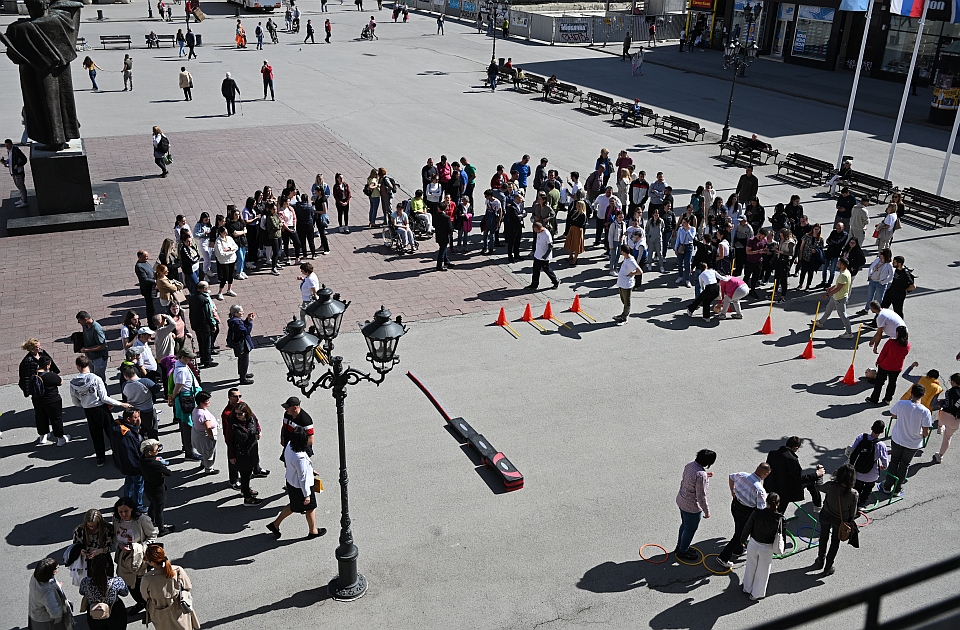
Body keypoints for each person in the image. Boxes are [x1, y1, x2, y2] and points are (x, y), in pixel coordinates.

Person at [70, 356, 133, 467]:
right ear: (88, 364)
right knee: (111, 432)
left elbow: (75, 402)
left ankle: (100, 458)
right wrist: (120, 403)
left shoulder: (73, 383)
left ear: (78, 366)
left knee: (96, 435)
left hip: (89, 411)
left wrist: (84, 403)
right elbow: (104, 398)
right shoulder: (96, 379)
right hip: (101, 409)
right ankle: (118, 453)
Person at [267, 427, 326, 539]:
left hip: (291, 482)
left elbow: (297, 467)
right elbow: (302, 478)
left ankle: (275, 524)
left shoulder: (289, 445)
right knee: (310, 507)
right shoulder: (300, 457)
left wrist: (310, 469)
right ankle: (313, 531)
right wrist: (307, 495)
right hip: (301, 487)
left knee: (293, 506)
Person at [716, 463, 771, 568]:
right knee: (740, 535)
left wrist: (732, 491)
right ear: (766, 474)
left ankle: (738, 550)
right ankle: (723, 558)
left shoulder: (742, 475)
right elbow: (761, 509)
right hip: (746, 512)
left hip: (735, 504)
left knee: (738, 527)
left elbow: (731, 477)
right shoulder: (760, 490)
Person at [882, 384, 932, 495]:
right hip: (913, 444)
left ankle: (887, 486)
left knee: (894, 461)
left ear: (911, 393)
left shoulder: (901, 404)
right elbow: (926, 432)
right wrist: (922, 436)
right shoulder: (925, 411)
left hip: (897, 439)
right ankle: (897, 489)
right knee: (904, 465)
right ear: (923, 395)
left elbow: (893, 415)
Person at [112, 497, 156, 616]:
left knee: (141, 584)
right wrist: (120, 545)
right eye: (120, 512)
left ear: (132, 509)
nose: (123, 514)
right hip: (124, 558)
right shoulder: (117, 520)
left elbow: (152, 537)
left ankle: (152, 607)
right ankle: (141, 603)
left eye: (126, 511)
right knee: (129, 584)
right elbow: (115, 536)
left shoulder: (142, 520)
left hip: (139, 558)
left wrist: (136, 547)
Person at [140, 544, 201, 629]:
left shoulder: (147, 579)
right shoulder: (177, 570)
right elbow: (188, 586)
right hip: (179, 609)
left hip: (158, 612)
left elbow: (145, 596)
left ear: (152, 562)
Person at [815, 464, 859, 576]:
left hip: (825, 515)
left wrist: (819, 474)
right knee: (835, 541)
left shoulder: (831, 486)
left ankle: (820, 559)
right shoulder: (853, 494)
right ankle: (828, 567)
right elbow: (852, 513)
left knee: (823, 537)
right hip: (840, 521)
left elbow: (818, 486)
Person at [740, 492, 783, 601]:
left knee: (750, 565)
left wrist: (743, 540)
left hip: (753, 543)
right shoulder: (780, 519)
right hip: (767, 548)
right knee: (763, 571)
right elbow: (782, 535)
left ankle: (747, 587)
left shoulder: (757, 513)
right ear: (778, 504)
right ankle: (756, 594)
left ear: (766, 501)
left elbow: (748, 527)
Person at [674, 449, 715, 561]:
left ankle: (680, 546)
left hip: (681, 500)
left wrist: (705, 475)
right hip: (691, 506)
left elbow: (690, 478)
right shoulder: (701, 475)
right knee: (690, 529)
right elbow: (701, 496)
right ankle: (683, 551)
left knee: (684, 525)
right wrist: (706, 511)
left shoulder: (690, 465)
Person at [764, 436, 824, 512]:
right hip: (786, 490)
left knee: (779, 509)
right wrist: (816, 474)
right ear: (795, 448)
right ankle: (817, 506)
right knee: (810, 482)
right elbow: (799, 479)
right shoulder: (792, 459)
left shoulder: (772, 453)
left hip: (772, 485)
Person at [169, 348, 202, 461]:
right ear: (182, 357)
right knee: (187, 426)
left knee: (185, 424)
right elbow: (178, 387)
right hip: (186, 399)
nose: (191, 359)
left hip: (185, 398)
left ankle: (186, 446)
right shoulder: (181, 370)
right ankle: (189, 452)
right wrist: (172, 398)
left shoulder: (180, 365)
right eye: (189, 358)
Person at [227, 401, 263, 506]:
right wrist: (231, 456)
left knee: (248, 472)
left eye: (240, 414)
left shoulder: (251, 418)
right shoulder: (233, 424)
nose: (238, 416)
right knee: (245, 474)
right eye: (236, 413)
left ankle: (245, 489)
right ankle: (247, 498)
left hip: (252, 451)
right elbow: (230, 441)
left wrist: (259, 431)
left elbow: (257, 424)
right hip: (241, 453)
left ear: (246, 413)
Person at [79, 552, 129, 628]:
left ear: (92, 567)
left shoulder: (85, 582)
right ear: (107, 565)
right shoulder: (117, 581)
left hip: (95, 612)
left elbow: (81, 592)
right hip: (115, 612)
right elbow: (125, 593)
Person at [847, 420, 889, 509]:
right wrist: (884, 467)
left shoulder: (861, 437)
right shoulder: (881, 445)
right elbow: (885, 461)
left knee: (857, 487)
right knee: (868, 488)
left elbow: (852, 450)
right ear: (882, 432)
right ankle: (862, 503)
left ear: (871, 428)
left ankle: (854, 502)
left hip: (857, 472)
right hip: (871, 475)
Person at [139, 439, 175, 536]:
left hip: (148, 487)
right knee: (159, 510)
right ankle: (162, 530)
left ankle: (151, 522)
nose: (158, 451)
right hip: (158, 489)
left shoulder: (142, 459)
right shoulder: (155, 464)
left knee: (152, 505)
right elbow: (169, 473)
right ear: (150, 452)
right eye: (156, 450)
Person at [28, 558, 73, 630]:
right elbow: (55, 613)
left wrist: (57, 587)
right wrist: (65, 609)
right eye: (57, 567)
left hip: (35, 614)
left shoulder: (36, 576)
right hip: (46, 622)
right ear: (51, 572)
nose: (58, 568)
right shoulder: (47, 592)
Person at [226, 304, 255, 385]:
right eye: (240, 311)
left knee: (242, 360)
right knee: (244, 360)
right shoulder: (236, 322)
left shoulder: (235, 320)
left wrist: (247, 319)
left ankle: (243, 373)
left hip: (239, 342)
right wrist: (250, 322)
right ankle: (243, 378)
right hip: (242, 344)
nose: (242, 312)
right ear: (235, 313)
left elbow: (243, 325)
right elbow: (246, 331)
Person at [190, 391, 219, 475]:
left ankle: (203, 462)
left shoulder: (196, 409)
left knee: (204, 451)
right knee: (209, 453)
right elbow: (208, 428)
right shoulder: (203, 415)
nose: (209, 401)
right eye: (207, 400)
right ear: (201, 402)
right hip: (205, 436)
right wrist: (212, 438)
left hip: (197, 433)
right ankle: (209, 469)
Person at [613, 244, 642, 324]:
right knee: (623, 300)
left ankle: (624, 318)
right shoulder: (626, 258)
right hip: (622, 283)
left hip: (627, 285)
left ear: (623, 251)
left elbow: (640, 271)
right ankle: (623, 314)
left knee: (627, 302)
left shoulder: (631, 261)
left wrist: (632, 274)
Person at [935, 373, 960, 464]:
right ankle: (940, 456)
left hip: (945, 416)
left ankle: (940, 427)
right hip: (956, 420)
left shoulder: (950, 392)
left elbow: (948, 405)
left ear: (953, 382)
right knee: (947, 438)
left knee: (940, 413)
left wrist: (941, 404)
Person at [527, 222, 559, 291]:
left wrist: (546, 255)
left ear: (539, 228)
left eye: (535, 229)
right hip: (537, 255)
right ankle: (534, 284)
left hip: (544, 256)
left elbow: (550, 246)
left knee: (546, 270)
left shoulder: (546, 234)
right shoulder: (538, 232)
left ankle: (555, 281)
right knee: (535, 270)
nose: (534, 231)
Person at [213, 226, 238, 300]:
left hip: (232, 260)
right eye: (224, 232)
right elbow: (221, 253)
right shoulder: (218, 241)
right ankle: (220, 292)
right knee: (225, 277)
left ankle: (229, 290)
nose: (226, 233)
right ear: (220, 233)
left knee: (231, 275)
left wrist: (229, 249)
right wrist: (231, 252)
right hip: (224, 261)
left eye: (226, 232)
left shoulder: (229, 238)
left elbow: (235, 246)